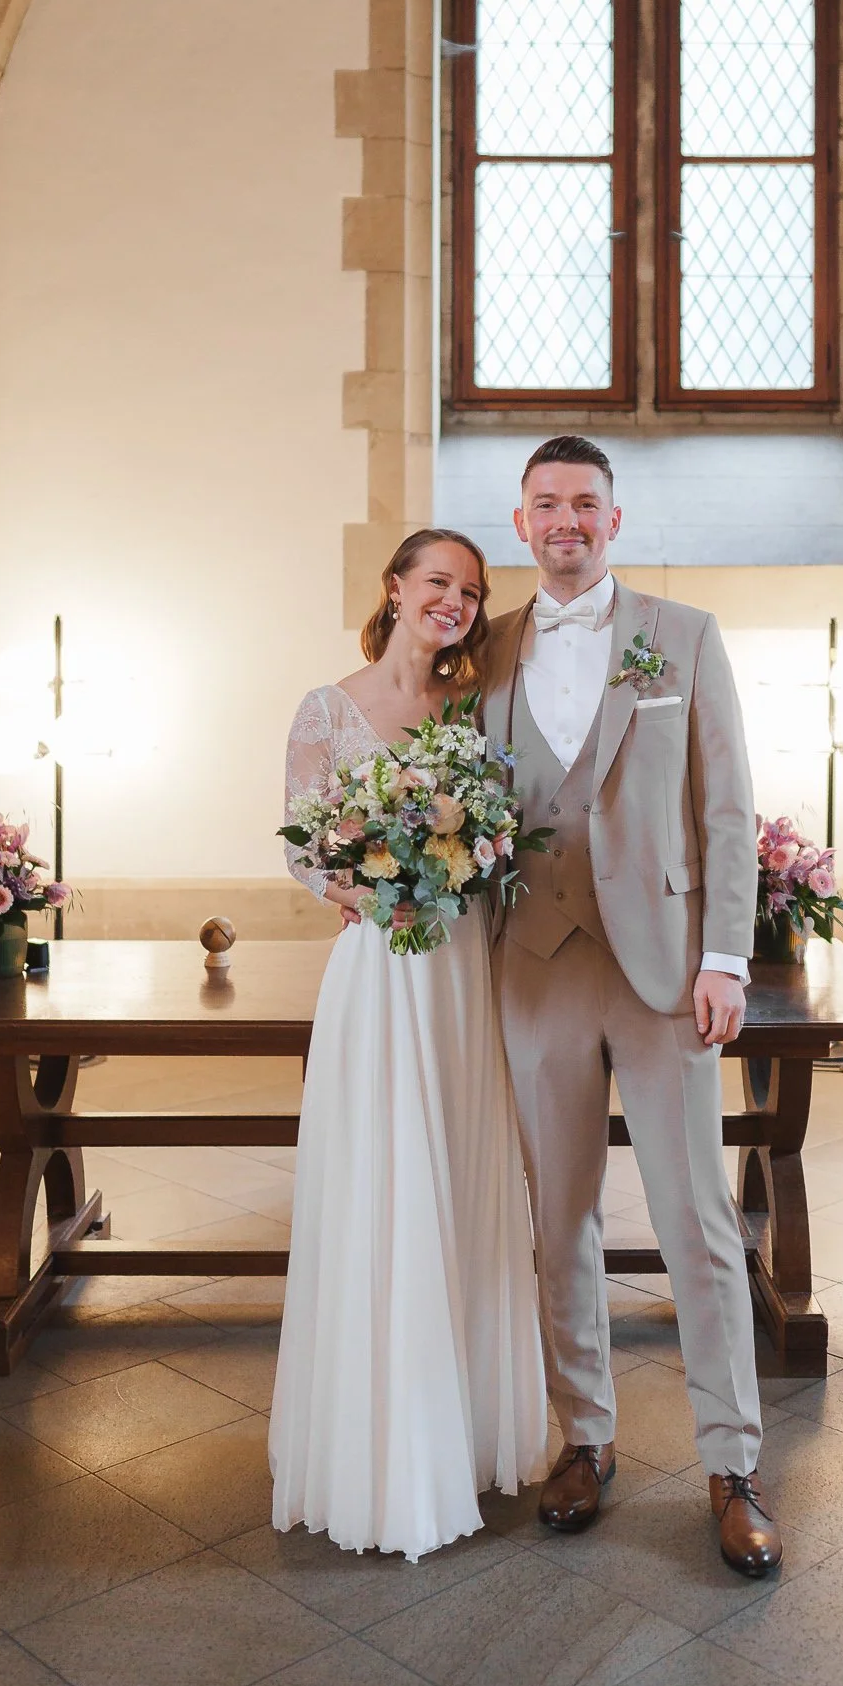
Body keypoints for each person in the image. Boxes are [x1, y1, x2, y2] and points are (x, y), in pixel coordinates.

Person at [482, 437, 782, 1576]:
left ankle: (731, 1463)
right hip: (535, 963)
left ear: (615, 519)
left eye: (584, 504)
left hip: (663, 969)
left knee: (696, 1223)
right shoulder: (489, 648)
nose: (566, 519)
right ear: (520, 524)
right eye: (545, 504)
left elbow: (724, 809)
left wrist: (723, 959)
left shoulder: (683, 635)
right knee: (558, 1218)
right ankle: (586, 1439)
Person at [270, 529, 547, 1561]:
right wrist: (369, 885)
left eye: (471, 592)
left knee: (461, 1175)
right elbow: (302, 846)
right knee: (383, 1179)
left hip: (459, 968)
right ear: (394, 588)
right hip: (382, 965)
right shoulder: (327, 708)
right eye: (439, 583)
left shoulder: (471, 709)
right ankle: (380, 1449)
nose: (456, 604)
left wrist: (461, 858)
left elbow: (499, 828)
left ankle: (462, 1430)